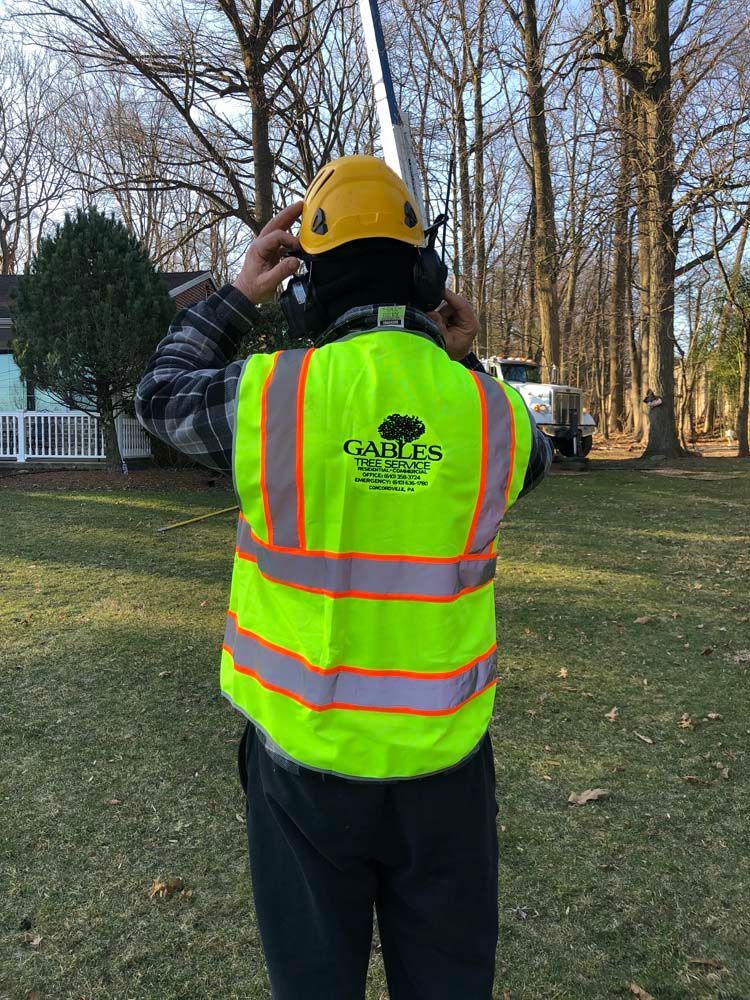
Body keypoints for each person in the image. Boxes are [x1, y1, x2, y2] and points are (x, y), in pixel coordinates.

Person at [136, 155, 551, 1000]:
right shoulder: (495, 416)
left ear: (305, 290)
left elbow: (159, 395)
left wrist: (235, 295)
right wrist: (459, 362)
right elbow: (533, 459)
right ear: (429, 280)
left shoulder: (271, 399)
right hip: (447, 775)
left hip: (302, 773)